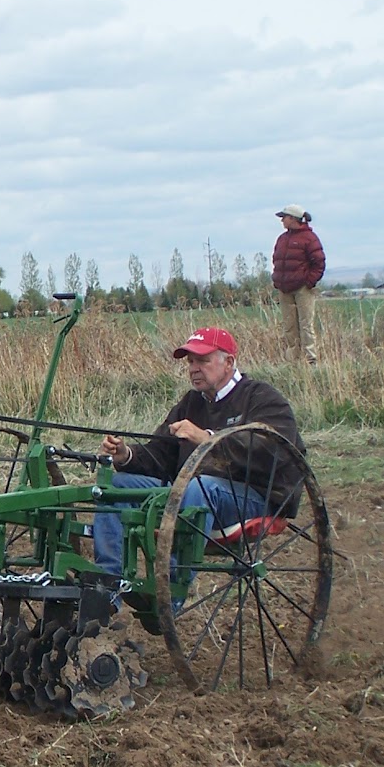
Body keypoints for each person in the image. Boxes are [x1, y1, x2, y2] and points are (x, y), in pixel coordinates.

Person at [93, 327, 305, 580]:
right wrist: (126, 455)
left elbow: (273, 450)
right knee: (117, 487)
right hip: (190, 493)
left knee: (201, 487)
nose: (194, 368)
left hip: (254, 498)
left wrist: (206, 439)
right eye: (190, 361)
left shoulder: (262, 398)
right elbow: (162, 456)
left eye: (203, 360)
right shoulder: (191, 403)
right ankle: (106, 585)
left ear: (228, 362)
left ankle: (172, 590)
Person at [272, 204, 325, 363]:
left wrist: (308, 283)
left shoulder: (310, 238)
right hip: (284, 289)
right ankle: (293, 361)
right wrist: (277, 281)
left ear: (292, 218)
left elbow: (319, 263)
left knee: (305, 325)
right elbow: (276, 261)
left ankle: (311, 361)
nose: (282, 220)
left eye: (284, 217)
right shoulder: (282, 239)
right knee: (289, 327)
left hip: (303, 289)